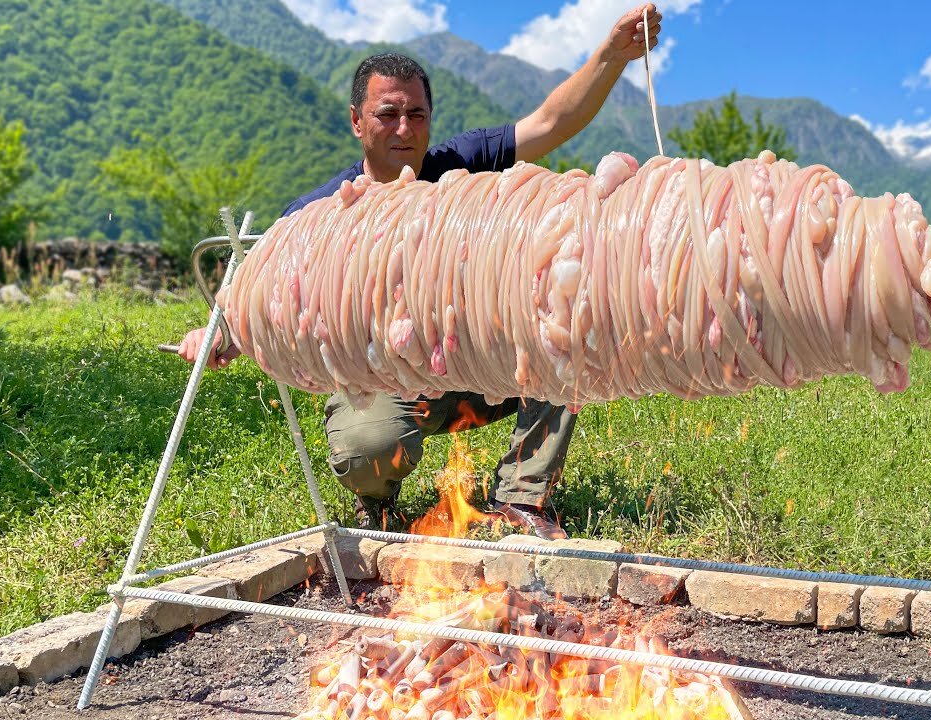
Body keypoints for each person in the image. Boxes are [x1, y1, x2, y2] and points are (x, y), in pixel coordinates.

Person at [178, 4, 663, 539]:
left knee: (562, 328)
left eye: (417, 115)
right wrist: (217, 331)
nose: (404, 129)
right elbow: (263, 290)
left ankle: (523, 496)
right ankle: (378, 500)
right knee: (369, 447)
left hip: (477, 362)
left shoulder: (456, 167)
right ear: (356, 120)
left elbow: (551, 122)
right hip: (387, 378)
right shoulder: (320, 214)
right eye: (388, 114)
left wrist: (613, 55)